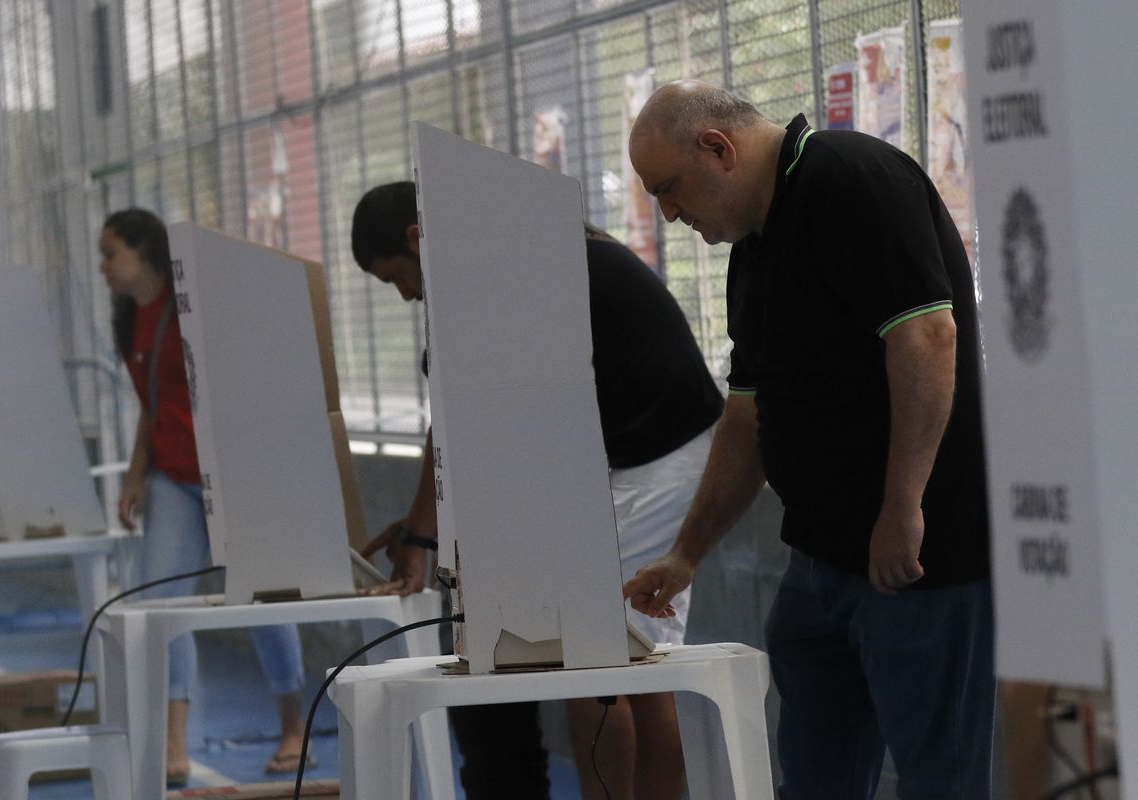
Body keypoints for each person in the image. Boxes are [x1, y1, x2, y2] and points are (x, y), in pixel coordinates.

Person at [621, 80, 996, 798]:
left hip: (916, 557)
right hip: (822, 561)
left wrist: (902, 507)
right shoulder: (755, 250)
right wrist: (687, 552)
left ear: (717, 148)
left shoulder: (852, 179)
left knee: (938, 778)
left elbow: (926, 336)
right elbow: (747, 415)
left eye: (669, 190)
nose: (669, 215)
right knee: (817, 777)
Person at [350, 181, 724, 800]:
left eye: (398, 277)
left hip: (662, 459)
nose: (408, 294)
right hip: (623, 458)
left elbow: (453, 420)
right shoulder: (526, 253)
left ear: (420, 239)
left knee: (601, 660)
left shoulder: (508, 269)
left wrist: (423, 533)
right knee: (623, 664)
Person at [99, 208, 314, 786]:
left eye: (110, 252)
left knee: (261, 598)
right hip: (172, 477)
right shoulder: (129, 322)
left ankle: (293, 724)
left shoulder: (193, 305)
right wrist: (134, 476)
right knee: (162, 607)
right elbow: (149, 407)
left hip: (229, 473)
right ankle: (174, 743)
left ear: (144, 251)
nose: (102, 267)